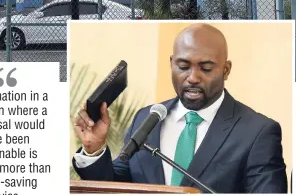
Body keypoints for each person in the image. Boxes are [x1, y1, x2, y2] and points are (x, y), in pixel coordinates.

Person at [72, 23, 288, 193]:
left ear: (226, 69)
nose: (192, 78)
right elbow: (118, 181)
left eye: (205, 68)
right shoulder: (147, 118)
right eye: (183, 67)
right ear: (172, 64)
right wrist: (93, 148)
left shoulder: (258, 132)